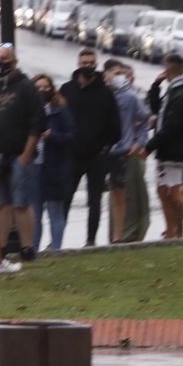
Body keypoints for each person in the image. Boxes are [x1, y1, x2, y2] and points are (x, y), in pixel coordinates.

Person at [0, 43, 45, 270]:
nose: (0, 62)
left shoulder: (26, 88)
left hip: (19, 154)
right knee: (0, 204)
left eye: (4, 58)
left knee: (22, 203)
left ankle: (27, 247)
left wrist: (26, 154)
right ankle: (1, 247)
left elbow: (37, 123)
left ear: (14, 61)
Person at [65, 47, 118, 248]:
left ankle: (91, 240)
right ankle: (58, 238)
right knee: (65, 197)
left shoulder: (105, 93)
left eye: (90, 63)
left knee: (94, 200)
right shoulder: (67, 90)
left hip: (97, 155)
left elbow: (115, 125)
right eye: (84, 63)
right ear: (78, 64)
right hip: (72, 154)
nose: (87, 66)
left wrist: (106, 145)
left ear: (95, 64)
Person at [150, 52, 183, 239]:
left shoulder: (182, 94)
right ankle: (170, 229)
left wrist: (149, 146)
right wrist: (155, 86)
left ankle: (178, 231)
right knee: (163, 190)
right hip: (167, 150)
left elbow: (172, 126)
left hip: (176, 150)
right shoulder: (172, 90)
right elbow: (156, 109)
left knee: (175, 190)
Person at [30, 75, 77, 253]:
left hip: (54, 168)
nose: (42, 90)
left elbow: (71, 136)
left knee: (54, 210)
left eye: (45, 87)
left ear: (52, 89)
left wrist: (52, 136)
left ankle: (56, 248)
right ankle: (33, 249)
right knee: (35, 213)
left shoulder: (60, 110)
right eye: (38, 87)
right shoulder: (29, 110)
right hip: (33, 166)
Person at [106, 60, 151, 243]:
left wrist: (139, 142)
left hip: (125, 152)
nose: (120, 77)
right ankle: (115, 235)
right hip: (106, 153)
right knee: (113, 198)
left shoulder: (132, 97)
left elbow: (145, 118)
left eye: (122, 74)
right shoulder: (103, 96)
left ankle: (124, 235)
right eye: (116, 73)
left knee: (125, 195)